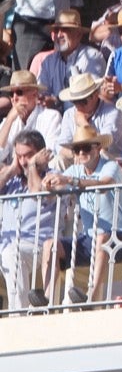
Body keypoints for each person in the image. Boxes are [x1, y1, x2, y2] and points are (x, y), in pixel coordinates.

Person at [42, 126, 122, 303]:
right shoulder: (75, 170)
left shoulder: (111, 166)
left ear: (98, 148)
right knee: (50, 245)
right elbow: (56, 190)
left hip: (120, 237)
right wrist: (48, 184)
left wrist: (68, 180)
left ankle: (93, 297)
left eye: (86, 148)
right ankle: (46, 299)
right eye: (77, 149)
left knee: (102, 238)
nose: (81, 153)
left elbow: (103, 185)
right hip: (90, 239)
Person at [0, 130, 54, 310]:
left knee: (11, 253)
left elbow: (37, 194)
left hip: (36, 244)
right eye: (19, 156)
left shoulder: (52, 176)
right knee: (9, 251)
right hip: (6, 245)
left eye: (29, 155)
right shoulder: (11, 181)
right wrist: (11, 170)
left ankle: (18, 315)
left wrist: (32, 167)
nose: (23, 161)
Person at [36, 9, 106, 110]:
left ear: (78, 34)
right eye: (56, 30)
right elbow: (42, 93)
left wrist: (56, 101)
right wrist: (45, 100)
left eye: (65, 30)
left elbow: (91, 97)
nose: (59, 35)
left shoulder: (92, 57)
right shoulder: (48, 61)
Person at [56, 73, 122, 167]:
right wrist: (75, 155)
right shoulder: (69, 114)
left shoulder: (112, 112)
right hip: (80, 158)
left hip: (109, 161)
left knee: (101, 155)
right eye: (75, 102)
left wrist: (84, 124)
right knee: (59, 160)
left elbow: (103, 144)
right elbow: (60, 146)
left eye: (82, 101)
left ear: (95, 95)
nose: (78, 106)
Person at [0, 71, 61, 162]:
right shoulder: (8, 121)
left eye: (19, 92)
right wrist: (9, 120)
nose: (14, 98)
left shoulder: (51, 117)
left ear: (35, 94)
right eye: (11, 94)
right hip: (14, 174)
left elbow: (50, 154)